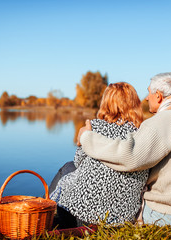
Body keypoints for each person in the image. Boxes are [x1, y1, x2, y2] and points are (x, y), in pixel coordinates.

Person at [77, 72, 171, 226]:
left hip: (167, 214)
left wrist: (87, 137)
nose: (146, 98)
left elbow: (129, 157)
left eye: (149, 92)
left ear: (158, 96)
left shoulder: (162, 122)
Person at [49, 82, 149, 228]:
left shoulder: (95, 127)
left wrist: (83, 138)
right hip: (121, 220)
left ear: (106, 103)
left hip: (80, 215)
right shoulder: (143, 135)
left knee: (68, 166)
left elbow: (78, 162)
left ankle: (45, 206)